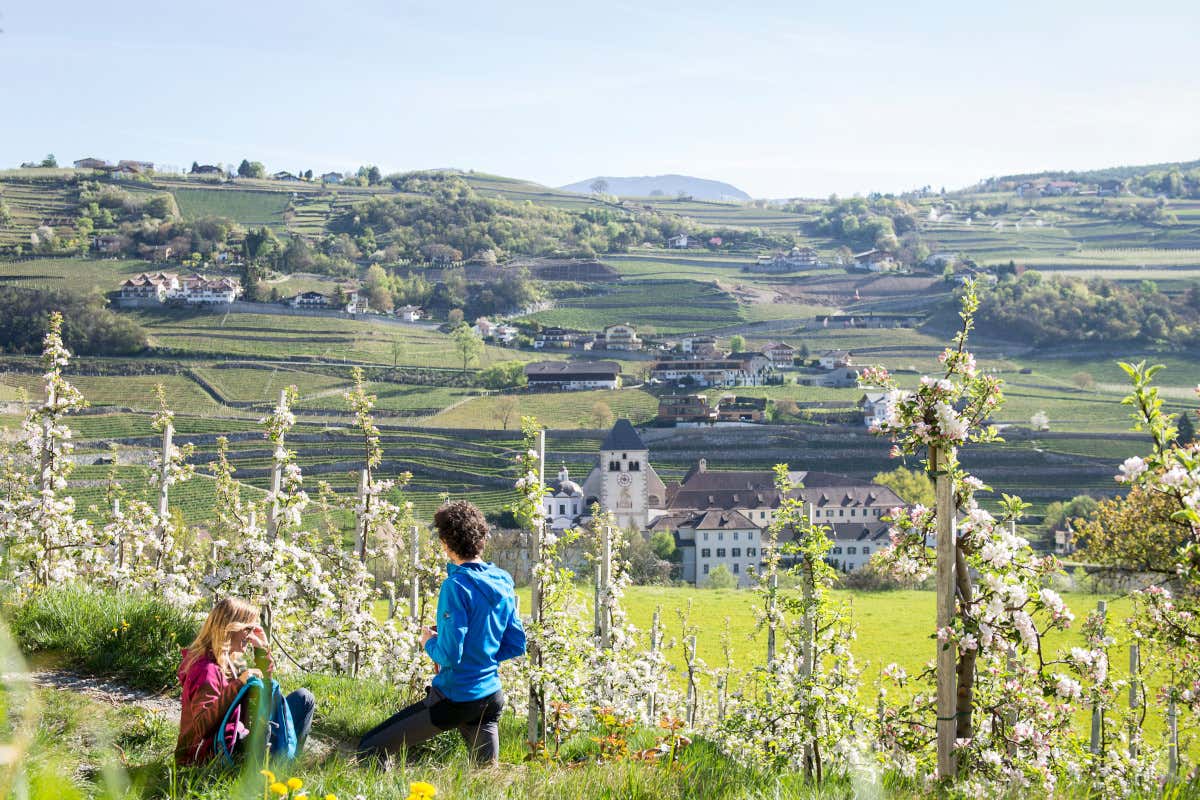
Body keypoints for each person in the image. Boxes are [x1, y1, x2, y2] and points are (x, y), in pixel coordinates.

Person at [358, 501, 526, 765]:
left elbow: (448, 654)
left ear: (446, 542)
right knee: (485, 777)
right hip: (491, 697)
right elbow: (516, 643)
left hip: (456, 698)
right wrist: (481, 656)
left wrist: (429, 642)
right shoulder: (503, 580)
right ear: (482, 539)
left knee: (369, 748)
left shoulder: (456, 586)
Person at [175, 597, 315, 765]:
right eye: (248, 629)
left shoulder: (230, 661)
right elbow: (202, 727)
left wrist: (262, 651)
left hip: (237, 733)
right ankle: (272, 770)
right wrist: (238, 684)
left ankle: (285, 767)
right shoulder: (206, 669)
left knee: (304, 698)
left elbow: (265, 694)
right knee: (264, 728)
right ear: (229, 629)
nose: (250, 636)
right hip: (207, 756)